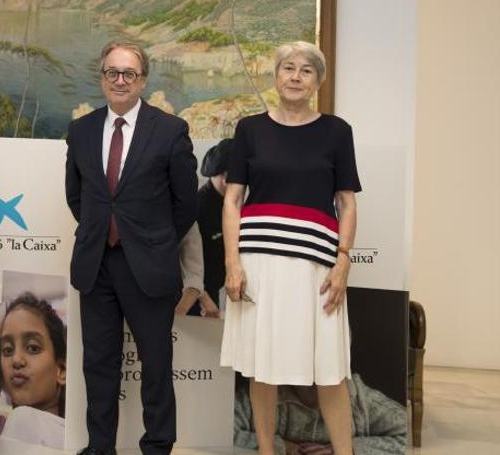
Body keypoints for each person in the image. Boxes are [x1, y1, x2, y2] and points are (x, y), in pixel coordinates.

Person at [221, 41, 362, 455]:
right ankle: (267, 451)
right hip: (258, 262)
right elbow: (232, 199)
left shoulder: (337, 132)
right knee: (262, 368)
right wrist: (233, 262)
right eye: (288, 68)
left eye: (306, 70)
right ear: (276, 76)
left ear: (317, 81)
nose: (296, 76)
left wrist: (343, 262)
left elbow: (347, 202)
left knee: (329, 369)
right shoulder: (250, 129)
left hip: (316, 265)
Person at [65, 41, 198, 455]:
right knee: (98, 364)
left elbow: (187, 203)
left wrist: (153, 240)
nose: (119, 81)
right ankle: (99, 446)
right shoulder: (82, 130)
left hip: (148, 266)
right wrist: (101, 229)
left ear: (142, 80)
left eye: (129, 74)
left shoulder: (169, 130)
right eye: (112, 72)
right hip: (96, 264)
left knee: (156, 366)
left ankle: (157, 446)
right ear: (101, 77)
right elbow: (77, 196)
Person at [233, 374, 406, 455]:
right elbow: (223, 431)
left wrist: (352, 449)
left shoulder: (361, 400)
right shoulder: (263, 397)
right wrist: (282, 446)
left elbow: (405, 433)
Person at [0, 292, 67, 449]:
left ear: (61, 370)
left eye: (33, 348)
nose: (16, 360)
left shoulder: (22, 420)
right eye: (7, 350)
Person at [176, 139, 234, 318]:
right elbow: (185, 259)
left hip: (213, 291)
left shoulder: (231, 204)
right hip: (192, 296)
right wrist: (203, 297)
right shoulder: (198, 206)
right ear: (225, 177)